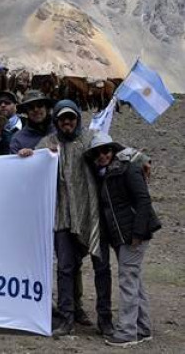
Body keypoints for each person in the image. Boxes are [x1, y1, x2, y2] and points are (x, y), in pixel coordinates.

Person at [33, 100, 110, 337]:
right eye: (62, 118)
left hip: (91, 214)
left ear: (78, 119)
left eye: (71, 118)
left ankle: (105, 320)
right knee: (65, 268)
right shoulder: (47, 144)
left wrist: (140, 159)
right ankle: (67, 318)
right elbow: (30, 167)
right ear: (56, 121)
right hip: (62, 216)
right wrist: (28, 156)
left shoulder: (90, 139)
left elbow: (115, 152)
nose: (67, 122)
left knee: (101, 267)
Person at [85, 133, 161, 347]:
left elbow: (144, 200)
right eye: (97, 152)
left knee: (127, 280)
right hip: (122, 236)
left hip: (133, 236)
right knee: (134, 280)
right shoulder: (105, 173)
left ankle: (128, 332)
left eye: (106, 150)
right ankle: (143, 328)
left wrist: (137, 234)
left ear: (113, 150)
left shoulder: (128, 169)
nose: (102, 155)